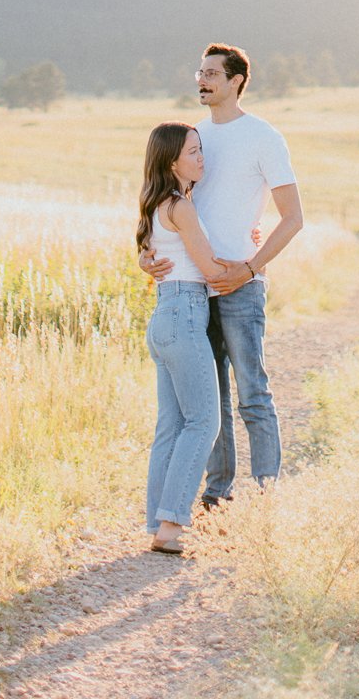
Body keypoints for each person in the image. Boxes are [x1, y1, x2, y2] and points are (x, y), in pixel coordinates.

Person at [140, 42, 304, 508]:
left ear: (236, 81)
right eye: (199, 72)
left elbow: (293, 217)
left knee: (252, 392)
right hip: (192, 289)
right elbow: (162, 204)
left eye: (212, 72)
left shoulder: (263, 137)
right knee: (209, 402)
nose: (201, 79)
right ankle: (218, 496)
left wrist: (251, 267)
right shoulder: (193, 137)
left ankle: (266, 499)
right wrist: (146, 254)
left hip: (240, 286)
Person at [135, 120, 224, 554]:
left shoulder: (157, 204)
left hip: (164, 316)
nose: (201, 157)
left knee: (171, 426)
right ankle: (171, 523)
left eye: (201, 149)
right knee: (205, 420)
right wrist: (255, 265)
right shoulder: (181, 207)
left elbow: (159, 256)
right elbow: (210, 272)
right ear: (173, 161)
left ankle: (160, 521)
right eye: (194, 152)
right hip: (186, 312)